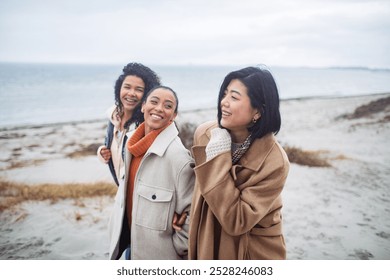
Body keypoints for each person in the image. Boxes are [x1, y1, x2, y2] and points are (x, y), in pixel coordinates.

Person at [188, 66, 290, 260]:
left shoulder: (275, 162)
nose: (223, 103)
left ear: (258, 111)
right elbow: (195, 184)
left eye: (234, 97)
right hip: (205, 236)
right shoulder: (204, 134)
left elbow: (237, 221)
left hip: (251, 249)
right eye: (224, 94)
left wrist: (218, 154)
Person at [108, 86, 195, 260]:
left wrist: (177, 248)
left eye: (168, 106)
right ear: (143, 106)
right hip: (127, 246)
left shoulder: (178, 157)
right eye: (154, 102)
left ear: (174, 115)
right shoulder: (130, 144)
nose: (159, 108)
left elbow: (192, 213)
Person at [97, 62, 161, 186]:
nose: (131, 93)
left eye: (139, 89)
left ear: (147, 95)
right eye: (127, 87)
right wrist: (103, 152)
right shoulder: (113, 117)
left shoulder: (147, 125)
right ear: (119, 88)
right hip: (120, 193)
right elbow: (115, 149)